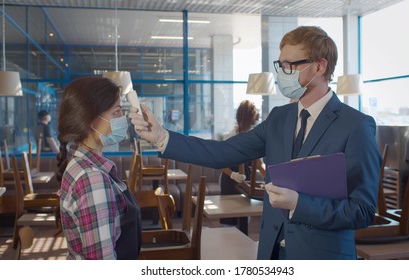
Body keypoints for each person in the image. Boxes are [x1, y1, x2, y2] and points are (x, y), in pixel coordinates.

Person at [130, 26, 380, 260]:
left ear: (319, 67)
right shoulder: (279, 118)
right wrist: (162, 136)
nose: (282, 73)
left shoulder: (356, 126)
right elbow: (224, 152)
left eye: (290, 65)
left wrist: (299, 205)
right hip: (271, 254)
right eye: (280, 65)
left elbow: (363, 211)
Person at [56, 76, 142, 260]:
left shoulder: (81, 163)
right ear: (91, 120)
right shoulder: (92, 179)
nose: (123, 119)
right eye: (117, 112)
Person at [219, 100, 265, 225]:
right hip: (229, 181)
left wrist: (269, 176)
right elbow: (221, 163)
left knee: (245, 217)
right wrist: (233, 175)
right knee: (230, 218)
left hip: (247, 182)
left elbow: (258, 163)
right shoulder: (230, 137)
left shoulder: (254, 138)